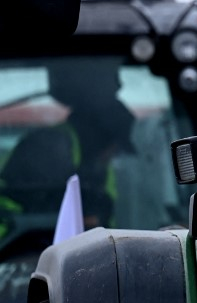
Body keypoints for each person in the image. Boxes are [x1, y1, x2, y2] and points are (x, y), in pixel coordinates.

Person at [0, 61, 136, 231]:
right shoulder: (48, 148)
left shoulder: (103, 171)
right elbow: (38, 224)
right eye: (117, 147)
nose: (116, 155)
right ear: (103, 139)